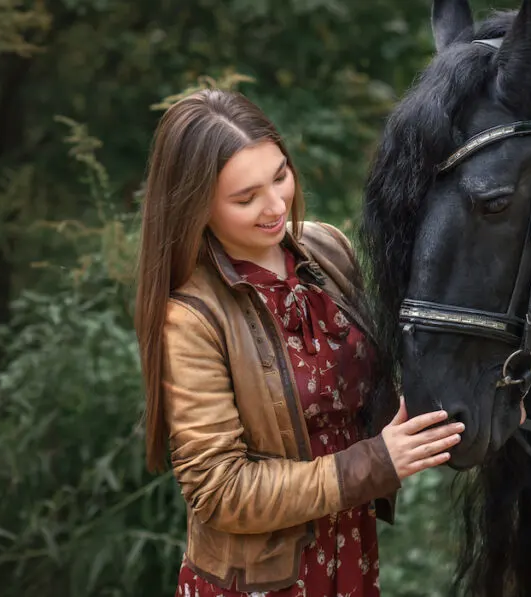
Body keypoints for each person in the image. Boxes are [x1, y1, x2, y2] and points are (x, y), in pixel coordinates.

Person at [133, 88, 464, 597]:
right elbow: (220, 491)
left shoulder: (327, 248)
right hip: (258, 582)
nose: (275, 205)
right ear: (197, 207)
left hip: (350, 554)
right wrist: (374, 464)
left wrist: (473, 390)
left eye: (281, 175)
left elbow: (375, 389)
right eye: (245, 198)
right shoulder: (190, 317)